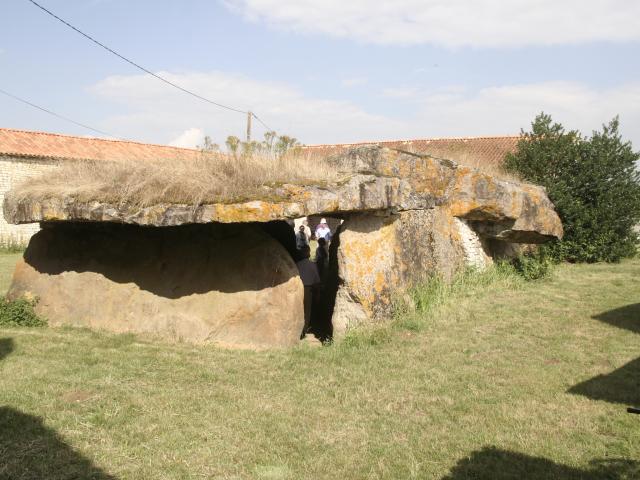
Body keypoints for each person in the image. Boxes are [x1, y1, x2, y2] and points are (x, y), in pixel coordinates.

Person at [296, 246, 320, 337]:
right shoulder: (312, 265)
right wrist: (318, 293)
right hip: (308, 289)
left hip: (298, 288)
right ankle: (304, 330)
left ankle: (298, 329)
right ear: (308, 253)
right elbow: (317, 280)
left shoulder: (297, 264)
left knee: (299, 308)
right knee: (307, 310)